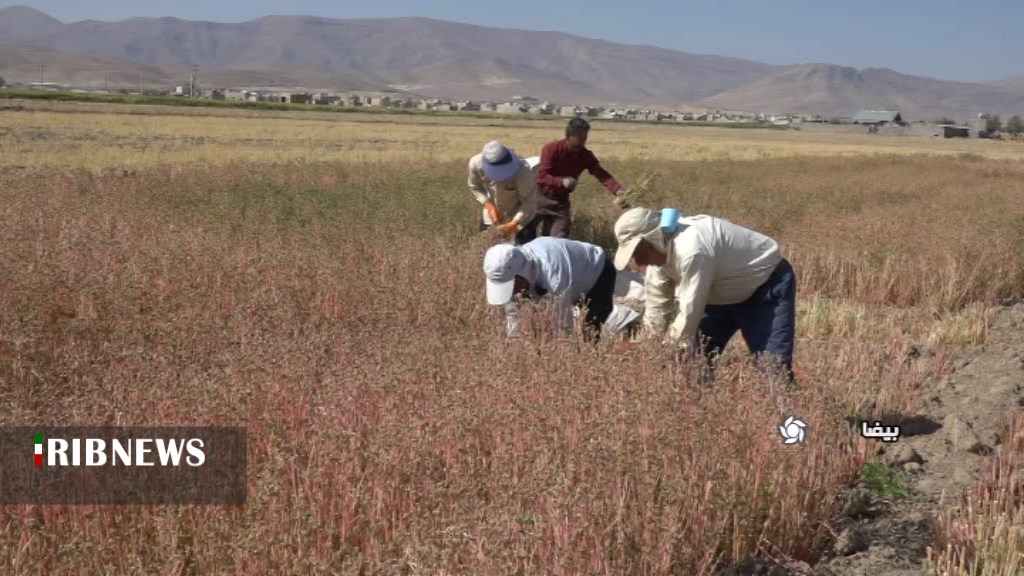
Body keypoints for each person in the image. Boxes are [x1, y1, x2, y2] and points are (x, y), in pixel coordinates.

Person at [611, 207, 796, 382]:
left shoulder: (691, 248)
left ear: (652, 240)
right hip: (716, 295)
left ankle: (785, 412)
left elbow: (690, 308)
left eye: (638, 252)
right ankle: (700, 412)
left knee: (773, 370)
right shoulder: (657, 263)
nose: (638, 261)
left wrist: (667, 349)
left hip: (765, 288)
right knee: (693, 364)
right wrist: (651, 348)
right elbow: (657, 308)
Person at [483, 237, 618, 339]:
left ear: (521, 273)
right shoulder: (514, 269)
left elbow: (562, 331)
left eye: (512, 287)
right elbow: (513, 316)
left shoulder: (554, 278)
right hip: (570, 274)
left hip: (598, 271)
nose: (512, 293)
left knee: (589, 332)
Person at [534, 117, 630, 239]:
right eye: (580, 138)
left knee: (558, 240)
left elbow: (601, 174)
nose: (583, 142)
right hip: (538, 198)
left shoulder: (586, 155)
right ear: (569, 136)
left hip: (560, 203)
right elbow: (542, 177)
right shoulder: (551, 149)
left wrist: (617, 190)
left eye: (585, 138)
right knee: (525, 235)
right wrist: (562, 181)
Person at [468, 140, 538, 245]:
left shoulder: (522, 170)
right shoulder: (475, 164)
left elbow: (529, 202)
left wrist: (513, 224)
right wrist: (489, 205)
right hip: (491, 218)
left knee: (525, 253)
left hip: (521, 219)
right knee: (486, 250)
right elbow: (475, 186)